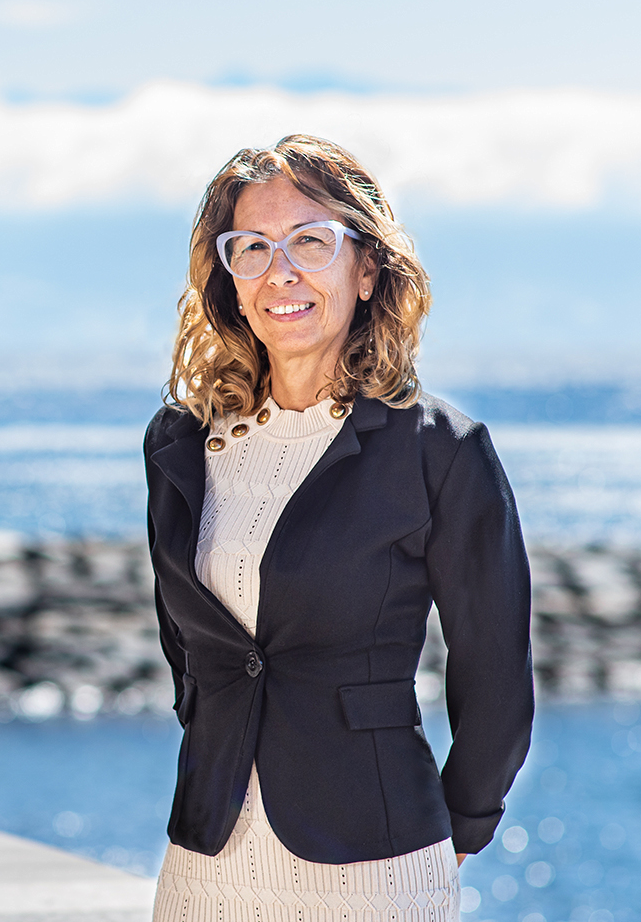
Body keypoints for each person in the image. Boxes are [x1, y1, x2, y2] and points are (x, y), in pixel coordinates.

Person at [145, 134, 534, 921]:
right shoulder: (181, 444)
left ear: (367, 270)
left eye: (310, 242)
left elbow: (495, 673)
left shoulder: (438, 450)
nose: (279, 271)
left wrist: (461, 824)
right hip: (205, 859)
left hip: (376, 861)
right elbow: (188, 651)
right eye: (252, 247)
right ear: (229, 278)